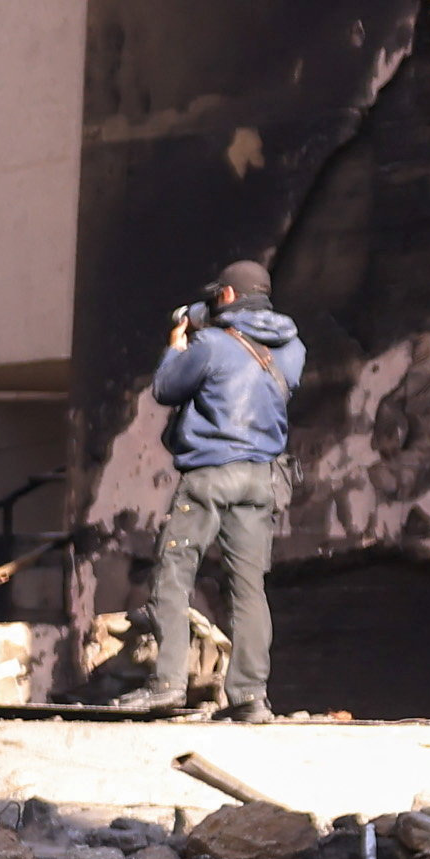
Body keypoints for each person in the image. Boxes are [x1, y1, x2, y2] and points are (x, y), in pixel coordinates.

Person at [138, 258, 306, 719]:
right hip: (261, 478)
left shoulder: (210, 345)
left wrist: (177, 345)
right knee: (249, 587)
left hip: (211, 473)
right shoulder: (292, 350)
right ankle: (250, 697)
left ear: (227, 296)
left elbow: (166, 389)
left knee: (174, 574)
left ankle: (167, 684)